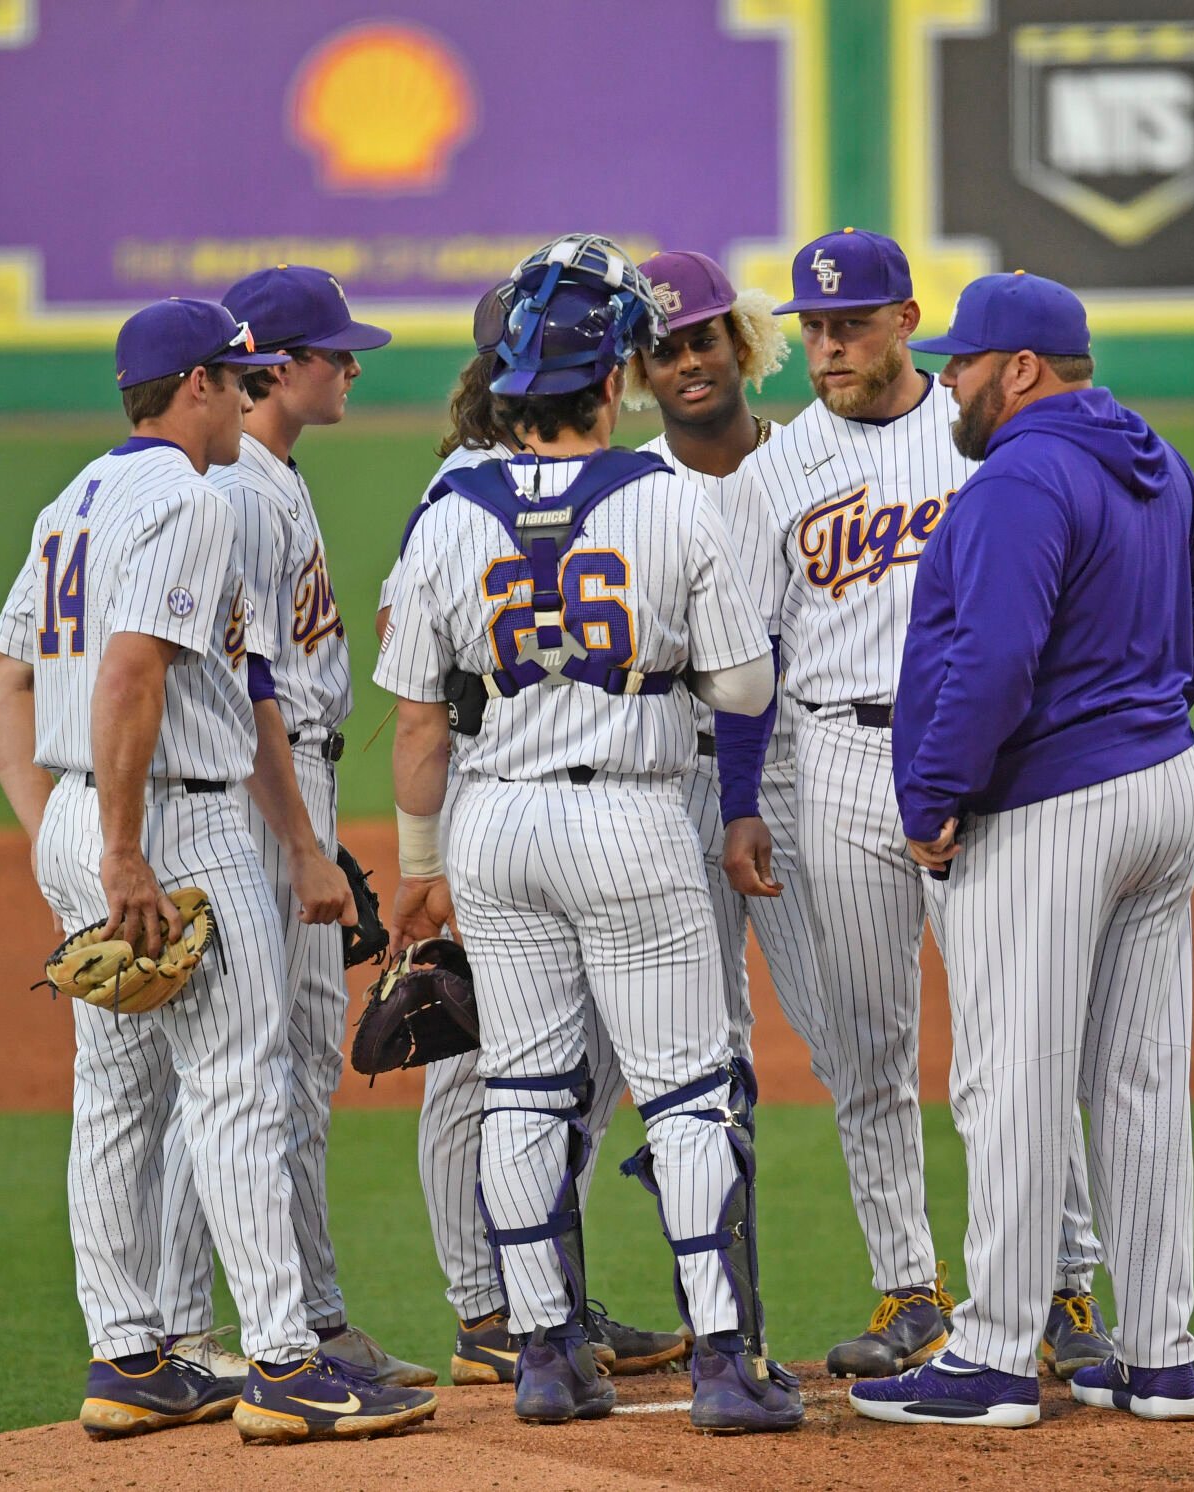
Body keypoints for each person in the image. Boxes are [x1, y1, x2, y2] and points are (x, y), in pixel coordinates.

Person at [0, 299, 438, 1444]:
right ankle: (284, 1361)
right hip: (170, 826)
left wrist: (65, 834)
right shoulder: (188, 500)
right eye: (236, 380)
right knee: (237, 1089)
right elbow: (133, 672)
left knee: (116, 1096)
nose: (248, 394)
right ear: (191, 387)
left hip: (94, 818)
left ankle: (131, 1355)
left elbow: (1, 676)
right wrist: (125, 847)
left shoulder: (74, 498)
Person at [374, 234, 803, 1433]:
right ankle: (725, 1361)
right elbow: (745, 687)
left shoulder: (447, 507)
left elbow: (416, 722)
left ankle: (545, 1356)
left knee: (521, 1087)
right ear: (612, 381)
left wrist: (419, 868)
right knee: (686, 1087)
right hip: (629, 815)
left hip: (492, 824)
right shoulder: (669, 499)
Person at [845, 271, 1194, 1429]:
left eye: (964, 364)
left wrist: (935, 797)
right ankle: (1161, 1356)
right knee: (1136, 1079)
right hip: (1164, 792)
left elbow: (997, 655)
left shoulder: (1022, 474)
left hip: (1052, 808)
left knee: (1010, 1078)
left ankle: (995, 1357)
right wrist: (1148, 703)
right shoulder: (1148, 453)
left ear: (1019, 369)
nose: (949, 384)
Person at [723, 230, 1109, 1379]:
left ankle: (1065, 1287)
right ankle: (910, 1290)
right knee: (865, 1047)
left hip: (987, 761)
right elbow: (749, 660)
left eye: (852, 323)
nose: (830, 345)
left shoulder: (984, 436)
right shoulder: (771, 476)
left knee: (1013, 1036)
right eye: (814, 328)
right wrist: (744, 798)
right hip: (838, 761)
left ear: (906, 318)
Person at [378, 285, 690, 1385]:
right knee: (481, 1065)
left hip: (530, 798)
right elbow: (408, 655)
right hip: (491, 788)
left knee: (570, 1065)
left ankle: (540, 1290)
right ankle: (489, 1306)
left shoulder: (526, 481)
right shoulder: (461, 488)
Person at [147, 266, 436, 1390]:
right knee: (235, 1066)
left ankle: (313, 1316)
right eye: (336, 353)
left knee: (298, 1057)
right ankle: (175, 1328)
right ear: (277, 364)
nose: (353, 368)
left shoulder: (273, 476)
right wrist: (301, 843)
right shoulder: (239, 495)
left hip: (296, 787)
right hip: (265, 795)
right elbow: (250, 680)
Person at [625, 249, 828, 1070]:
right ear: (640, 370)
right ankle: (723, 1206)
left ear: (741, 342)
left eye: (701, 341)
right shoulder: (627, 490)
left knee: (852, 1043)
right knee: (697, 1057)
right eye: (664, 350)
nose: (687, 364)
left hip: (800, 779)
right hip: (669, 788)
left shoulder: (814, 470)